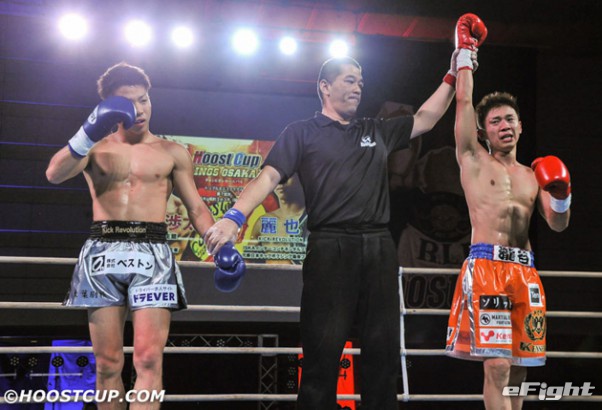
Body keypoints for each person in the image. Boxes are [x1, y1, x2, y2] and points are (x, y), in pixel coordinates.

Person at [205, 25, 478, 407]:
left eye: (361, 82)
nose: (358, 87)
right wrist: (233, 218)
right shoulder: (301, 132)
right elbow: (267, 178)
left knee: (382, 353)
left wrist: (452, 71)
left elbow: (426, 118)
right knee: (322, 352)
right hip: (330, 247)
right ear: (324, 87)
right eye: (349, 80)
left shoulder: (375, 130)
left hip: (379, 247)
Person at [45, 62, 220, 409]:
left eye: (144, 100)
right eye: (128, 102)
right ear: (109, 106)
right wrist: (88, 131)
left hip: (152, 251)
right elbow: (54, 173)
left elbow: (196, 208)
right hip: (102, 250)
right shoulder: (94, 147)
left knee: (149, 359)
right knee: (107, 363)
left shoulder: (172, 152)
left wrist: (219, 243)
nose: (139, 110)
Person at [444, 14, 571, 410]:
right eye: (495, 120)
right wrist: (466, 55)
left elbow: (558, 224)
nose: (504, 125)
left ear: (520, 126)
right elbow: (463, 103)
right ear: (483, 131)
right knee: (497, 365)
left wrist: (562, 194)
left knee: (518, 369)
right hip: (487, 268)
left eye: (510, 119)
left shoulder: (535, 175)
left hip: (525, 273)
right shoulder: (473, 160)